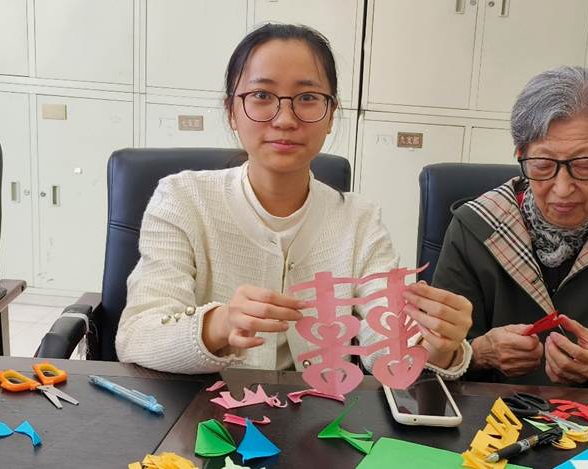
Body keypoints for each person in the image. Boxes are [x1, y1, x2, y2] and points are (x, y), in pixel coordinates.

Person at [116, 24, 473, 377]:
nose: (285, 119)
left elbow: (387, 346)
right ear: (231, 111)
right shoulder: (182, 200)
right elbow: (137, 335)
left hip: (321, 411)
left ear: (331, 115)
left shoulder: (360, 221)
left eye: (307, 98)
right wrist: (220, 324)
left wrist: (437, 345)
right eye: (261, 95)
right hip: (201, 410)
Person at [432, 66, 588, 393]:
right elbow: (436, 355)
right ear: (521, 156)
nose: (563, 189)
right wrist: (479, 354)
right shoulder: (476, 228)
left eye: (585, 166)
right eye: (543, 165)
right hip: (492, 414)